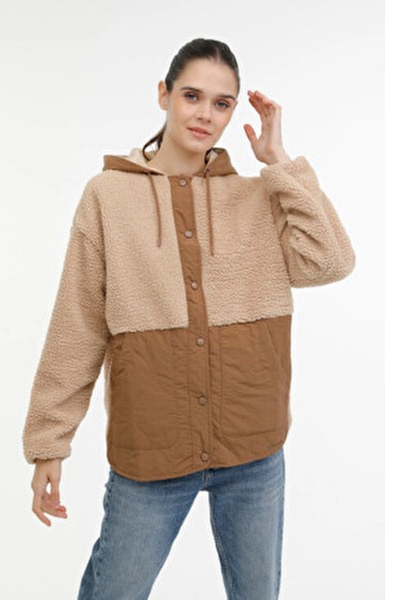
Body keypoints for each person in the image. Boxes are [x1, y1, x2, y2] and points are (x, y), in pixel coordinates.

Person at [22, 38, 356, 599]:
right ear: (164, 94)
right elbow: (77, 324)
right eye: (192, 96)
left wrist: (279, 162)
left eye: (222, 103)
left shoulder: (257, 196)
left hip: (253, 450)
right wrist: (48, 442)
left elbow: (330, 260)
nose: (205, 114)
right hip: (151, 450)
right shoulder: (107, 196)